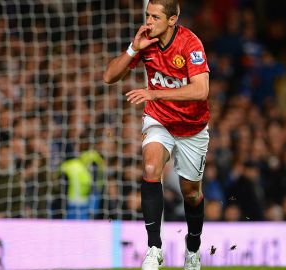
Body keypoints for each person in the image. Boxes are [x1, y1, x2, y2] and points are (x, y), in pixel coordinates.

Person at [103, 0, 210, 269]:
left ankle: (193, 250)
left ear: (172, 19)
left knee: (191, 193)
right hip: (159, 119)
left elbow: (201, 91)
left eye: (155, 17)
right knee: (150, 168)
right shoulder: (146, 41)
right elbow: (109, 76)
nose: (148, 22)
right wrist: (132, 49)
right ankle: (154, 249)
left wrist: (154, 93)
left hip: (191, 127)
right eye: (147, 16)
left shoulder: (190, 43)